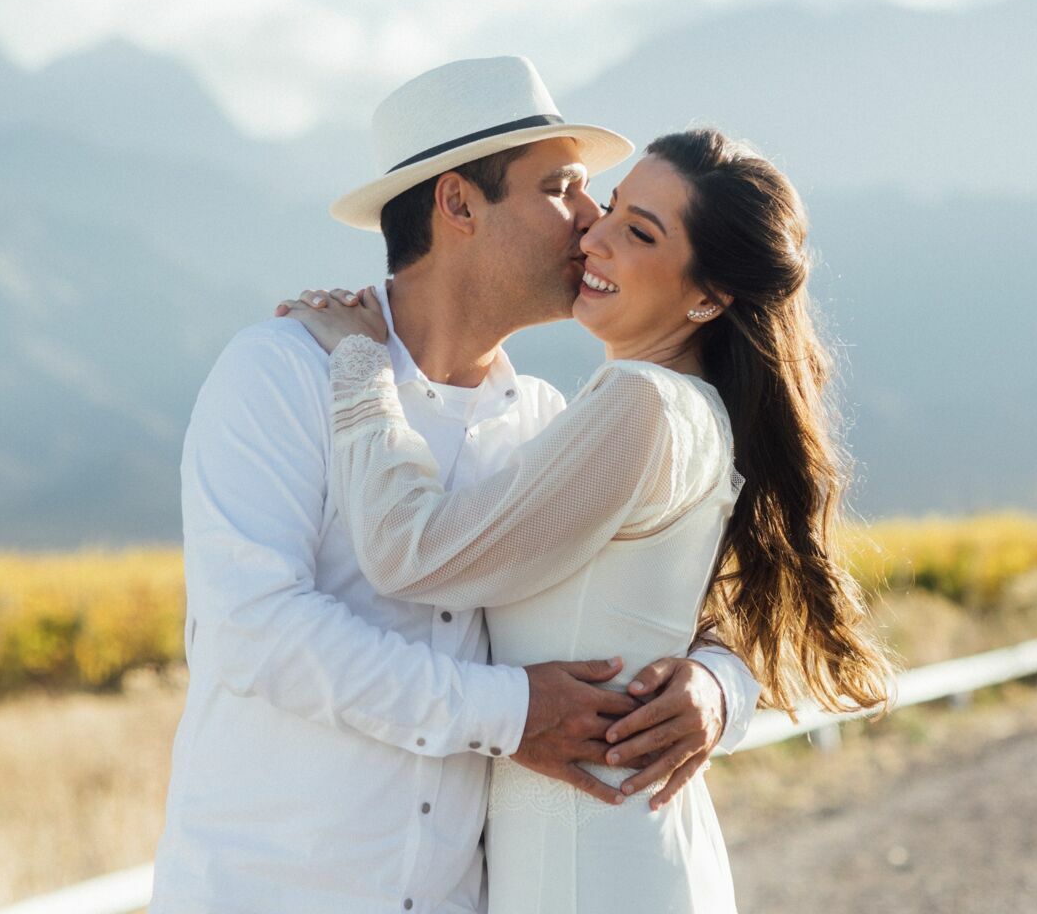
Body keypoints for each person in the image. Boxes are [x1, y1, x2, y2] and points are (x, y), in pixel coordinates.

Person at [149, 57, 763, 913]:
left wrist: (717, 690)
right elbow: (257, 631)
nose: (590, 219)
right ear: (459, 204)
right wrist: (509, 712)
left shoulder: (548, 416)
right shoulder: (280, 373)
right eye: (562, 188)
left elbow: (683, 591)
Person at [282, 125, 893, 910]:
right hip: (600, 851)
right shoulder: (665, 410)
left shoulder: (642, 406)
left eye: (639, 232)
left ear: (707, 296)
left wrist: (360, 362)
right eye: (610, 207)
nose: (593, 236)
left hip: (589, 866)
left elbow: (412, 553)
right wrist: (718, 680)